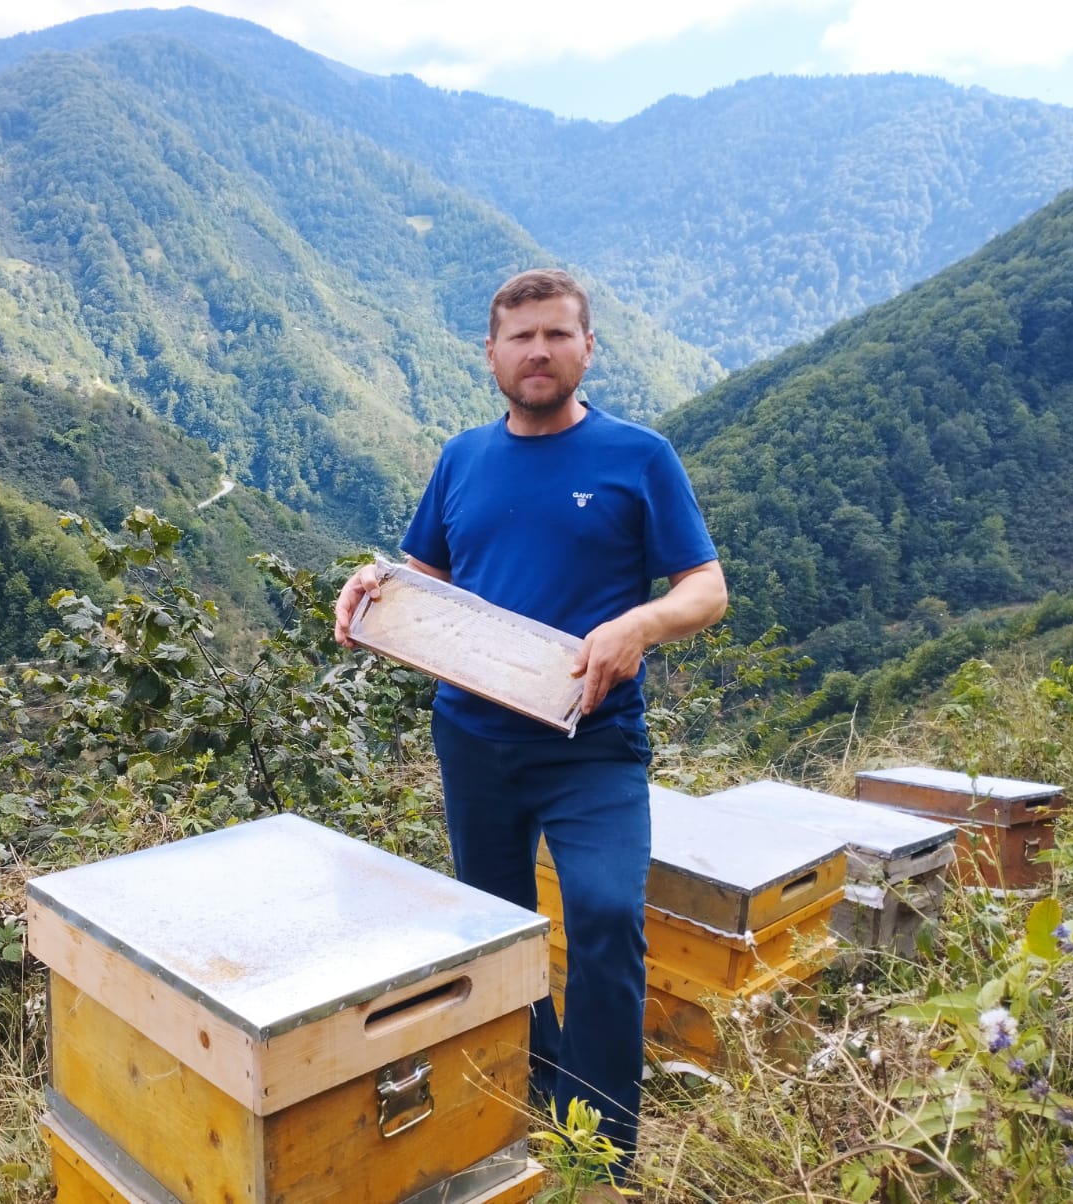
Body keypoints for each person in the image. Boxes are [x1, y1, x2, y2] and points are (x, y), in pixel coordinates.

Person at [334, 268, 727, 1192]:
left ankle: (603, 1151)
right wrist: (373, 582)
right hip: (472, 739)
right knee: (498, 928)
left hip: (592, 744)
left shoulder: (639, 456)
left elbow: (705, 588)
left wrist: (639, 624)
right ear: (492, 355)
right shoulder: (461, 458)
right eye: (521, 338)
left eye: (557, 335)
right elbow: (423, 577)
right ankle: (538, 1096)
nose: (538, 352)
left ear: (589, 348)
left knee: (603, 914)